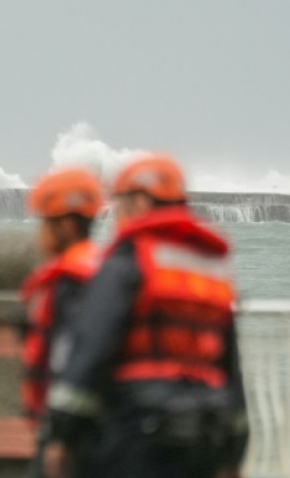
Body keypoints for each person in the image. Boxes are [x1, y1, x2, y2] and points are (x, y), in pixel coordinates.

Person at [42, 154, 248, 478]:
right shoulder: (214, 272)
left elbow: (92, 349)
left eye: (120, 203)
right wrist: (234, 453)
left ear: (140, 202)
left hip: (139, 433)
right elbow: (231, 370)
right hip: (208, 434)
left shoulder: (129, 261)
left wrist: (61, 436)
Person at [19, 167, 104, 477]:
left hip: (71, 436)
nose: (40, 231)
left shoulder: (72, 283)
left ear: (67, 225)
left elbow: (77, 359)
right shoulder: (103, 271)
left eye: (46, 221)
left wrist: (61, 437)